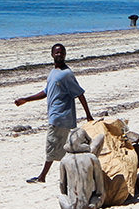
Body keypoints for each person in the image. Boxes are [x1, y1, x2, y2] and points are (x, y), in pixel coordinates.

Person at [13, 42, 94, 183]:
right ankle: (71, 175)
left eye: (62, 52)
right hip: (56, 116)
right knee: (62, 149)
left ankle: (42, 177)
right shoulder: (53, 72)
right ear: (52, 54)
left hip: (60, 117)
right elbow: (46, 92)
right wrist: (26, 99)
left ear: (65, 55)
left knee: (52, 146)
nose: (59, 54)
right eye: (57, 52)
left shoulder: (66, 74)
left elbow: (80, 93)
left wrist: (88, 114)